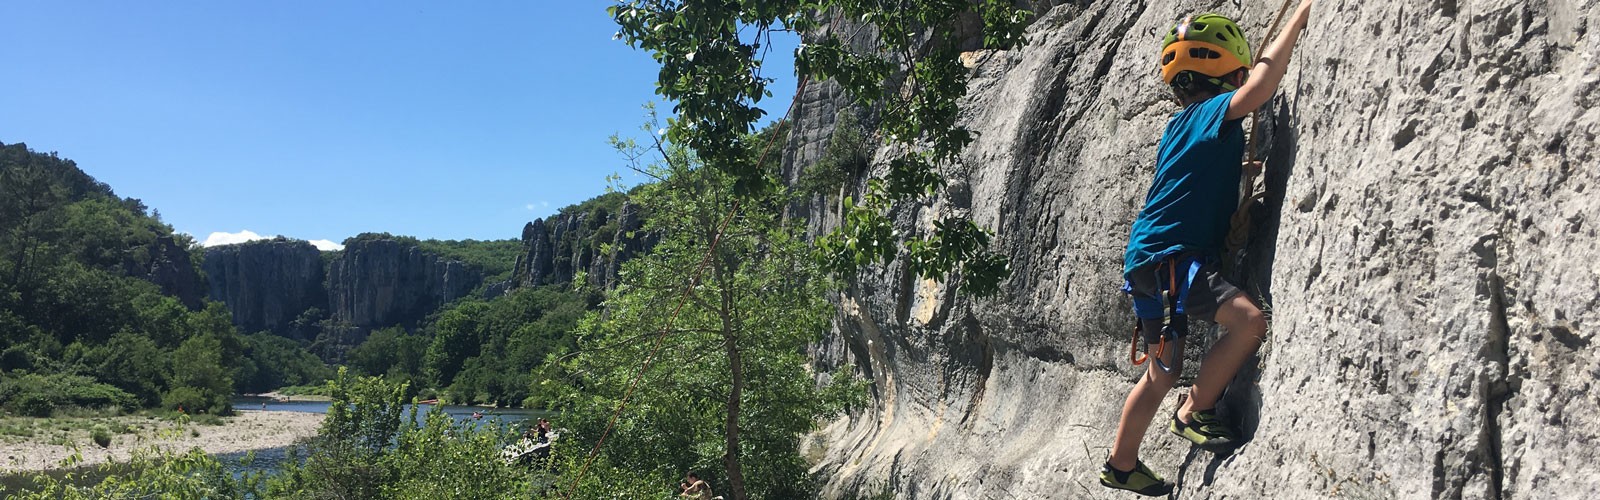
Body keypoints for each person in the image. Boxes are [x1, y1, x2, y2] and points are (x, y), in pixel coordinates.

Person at [1099, 2, 1315, 496]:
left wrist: (1240, 176)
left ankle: (1120, 463)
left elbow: (1189, 181)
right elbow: (1260, 90)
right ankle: (1195, 410)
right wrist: (1298, 19)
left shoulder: (1181, 127)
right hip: (1174, 258)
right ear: (1228, 70)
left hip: (1149, 260)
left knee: (1162, 369)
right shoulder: (1209, 113)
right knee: (1249, 321)